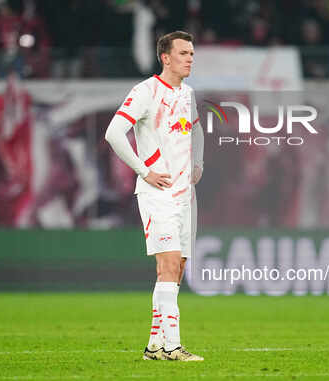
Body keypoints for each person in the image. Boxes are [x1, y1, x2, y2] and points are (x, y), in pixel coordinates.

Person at [104, 31, 204, 361]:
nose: (190, 58)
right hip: (157, 193)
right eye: (184, 53)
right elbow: (114, 133)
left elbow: (198, 128)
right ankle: (173, 347)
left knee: (175, 271)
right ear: (166, 57)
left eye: (191, 53)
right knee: (169, 265)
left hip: (185, 196)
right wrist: (143, 170)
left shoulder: (188, 94)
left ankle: (154, 346)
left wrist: (198, 162)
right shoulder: (146, 91)